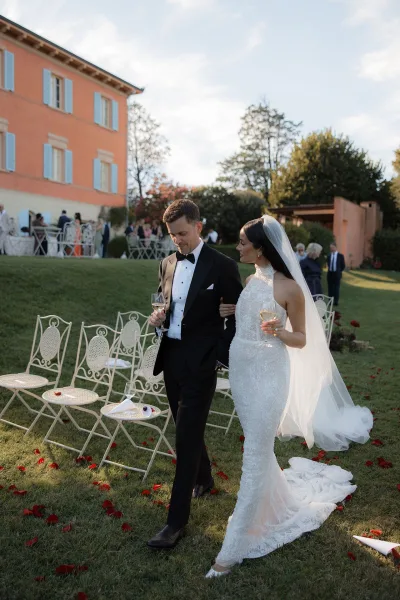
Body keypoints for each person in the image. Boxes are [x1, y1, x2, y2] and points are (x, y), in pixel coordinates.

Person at [207, 216, 373, 578]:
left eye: (242, 242)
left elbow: (302, 339)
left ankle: (232, 548)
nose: (238, 247)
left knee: (254, 449)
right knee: (257, 445)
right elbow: (250, 317)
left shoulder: (289, 288)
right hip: (242, 372)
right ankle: (273, 503)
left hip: (269, 375)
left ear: (261, 247)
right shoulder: (252, 280)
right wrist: (235, 310)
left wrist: (280, 330)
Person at [147, 199, 243, 550]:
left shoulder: (223, 266)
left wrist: (217, 358)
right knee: (184, 426)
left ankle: (175, 522)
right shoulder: (166, 262)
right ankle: (205, 478)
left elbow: (236, 318)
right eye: (173, 236)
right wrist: (157, 319)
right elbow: (163, 302)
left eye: (183, 234)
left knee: (186, 437)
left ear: (198, 226)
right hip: (171, 358)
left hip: (201, 365)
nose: (178, 242)